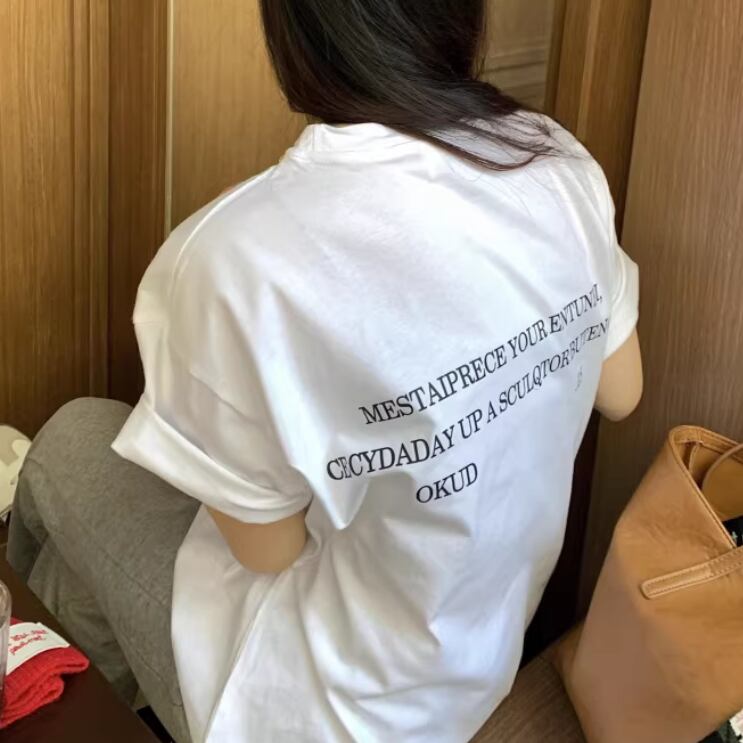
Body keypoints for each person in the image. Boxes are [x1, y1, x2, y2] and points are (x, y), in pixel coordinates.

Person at [7, 1, 642, 741]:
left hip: (307, 710)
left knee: (71, 438)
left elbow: (270, 552)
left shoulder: (233, 255)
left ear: (294, 33)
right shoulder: (550, 159)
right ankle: (58, 678)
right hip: (474, 668)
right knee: (94, 556)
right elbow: (622, 392)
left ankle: (38, 674)